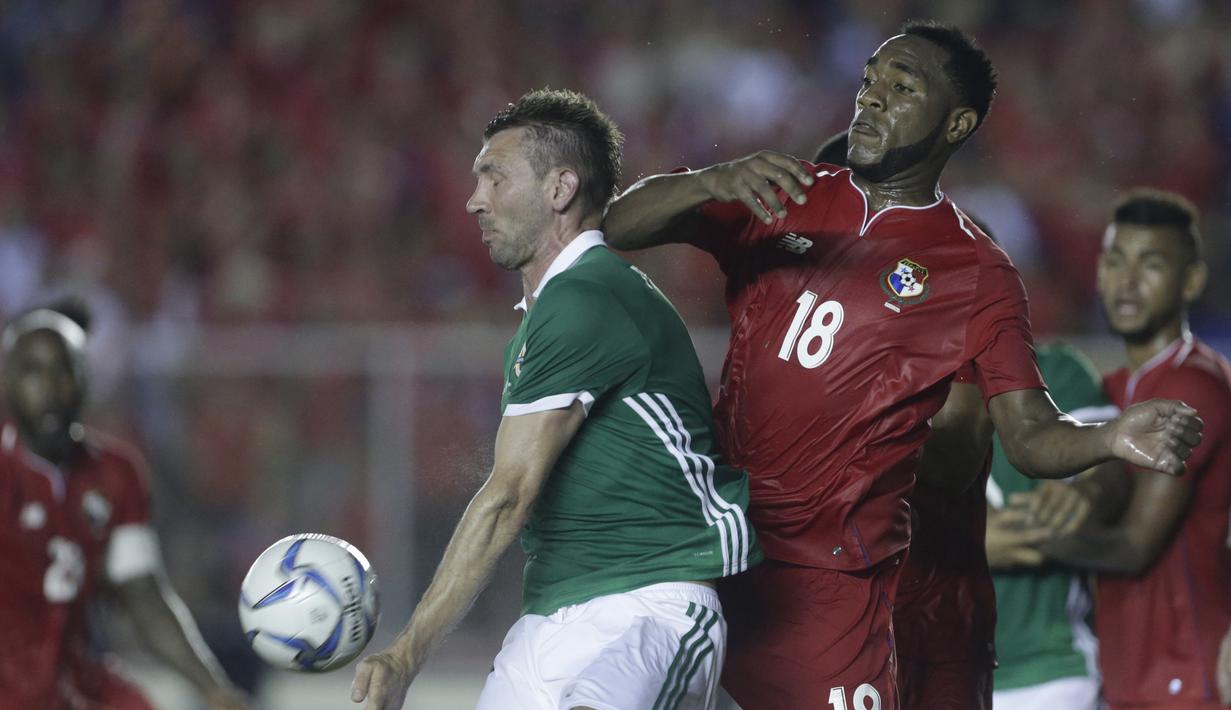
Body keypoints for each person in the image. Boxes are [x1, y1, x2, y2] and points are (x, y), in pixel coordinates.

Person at [603, 20, 1203, 708]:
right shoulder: (781, 194)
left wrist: (1110, 436)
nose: (872, 98)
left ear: (956, 124)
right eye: (868, 81)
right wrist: (708, 179)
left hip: (835, 587)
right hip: (719, 551)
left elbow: (1028, 435)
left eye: (901, 85)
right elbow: (617, 226)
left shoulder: (975, 270)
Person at [350, 88, 760, 710]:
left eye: (494, 178)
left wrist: (407, 652)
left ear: (560, 188)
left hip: (647, 612)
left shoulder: (587, 298)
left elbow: (509, 495)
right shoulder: (558, 308)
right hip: (550, 617)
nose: (474, 200)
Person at [816, 130, 999, 710]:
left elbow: (958, 455)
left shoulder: (958, 279)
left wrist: (845, 413)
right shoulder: (789, 307)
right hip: (819, 629)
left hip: (929, 629)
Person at [1033, 189, 1230, 710]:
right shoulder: (1115, 389)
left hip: (1186, 676)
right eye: (1115, 260)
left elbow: (1134, 546)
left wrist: (1021, 541)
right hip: (1129, 675)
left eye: (1151, 263)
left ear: (1191, 280)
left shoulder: (1196, 384)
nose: (1127, 281)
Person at [0, 303, 249, 710]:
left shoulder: (116, 474)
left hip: (79, 686)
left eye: (64, 369)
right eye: (32, 370)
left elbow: (144, 596)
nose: (50, 386)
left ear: (86, 378)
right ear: (6, 381)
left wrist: (213, 689)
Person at [985, 343, 1125, 710]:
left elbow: (1114, 470)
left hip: (1049, 670)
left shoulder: (1056, 371)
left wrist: (1088, 492)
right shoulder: (904, 382)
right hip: (927, 665)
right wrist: (963, 542)